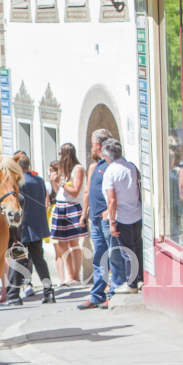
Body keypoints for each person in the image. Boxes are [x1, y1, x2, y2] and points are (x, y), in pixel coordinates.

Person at [5, 152, 54, 306]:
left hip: (23, 228)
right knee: (40, 262)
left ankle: (13, 295)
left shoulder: (19, 183)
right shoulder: (39, 181)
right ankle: (49, 293)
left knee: (18, 262)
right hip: (37, 227)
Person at [101, 139, 143, 294]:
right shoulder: (131, 166)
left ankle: (131, 283)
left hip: (122, 216)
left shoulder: (110, 172)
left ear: (107, 155)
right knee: (137, 247)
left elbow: (112, 200)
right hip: (136, 212)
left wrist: (112, 222)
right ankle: (139, 279)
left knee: (127, 251)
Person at [78, 130, 113, 310]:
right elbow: (88, 192)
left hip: (107, 219)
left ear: (98, 145)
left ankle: (112, 294)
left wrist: (109, 211)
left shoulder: (111, 164)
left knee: (113, 257)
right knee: (99, 258)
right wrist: (85, 214)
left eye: (93, 142)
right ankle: (97, 295)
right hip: (96, 220)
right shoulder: (97, 164)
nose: (92, 146)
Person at [48, 144, 87, 285]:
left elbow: (75, 191)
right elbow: (58, 190)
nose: (58, 156)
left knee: (73, 242)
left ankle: (75, 276)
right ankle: (70, 275)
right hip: (60, 206)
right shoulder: (64, 170)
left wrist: (61, 182)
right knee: (62, 244)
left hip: (72, 207)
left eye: (60, 153)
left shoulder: (78, 169)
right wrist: (54, 180)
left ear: (66, 154)